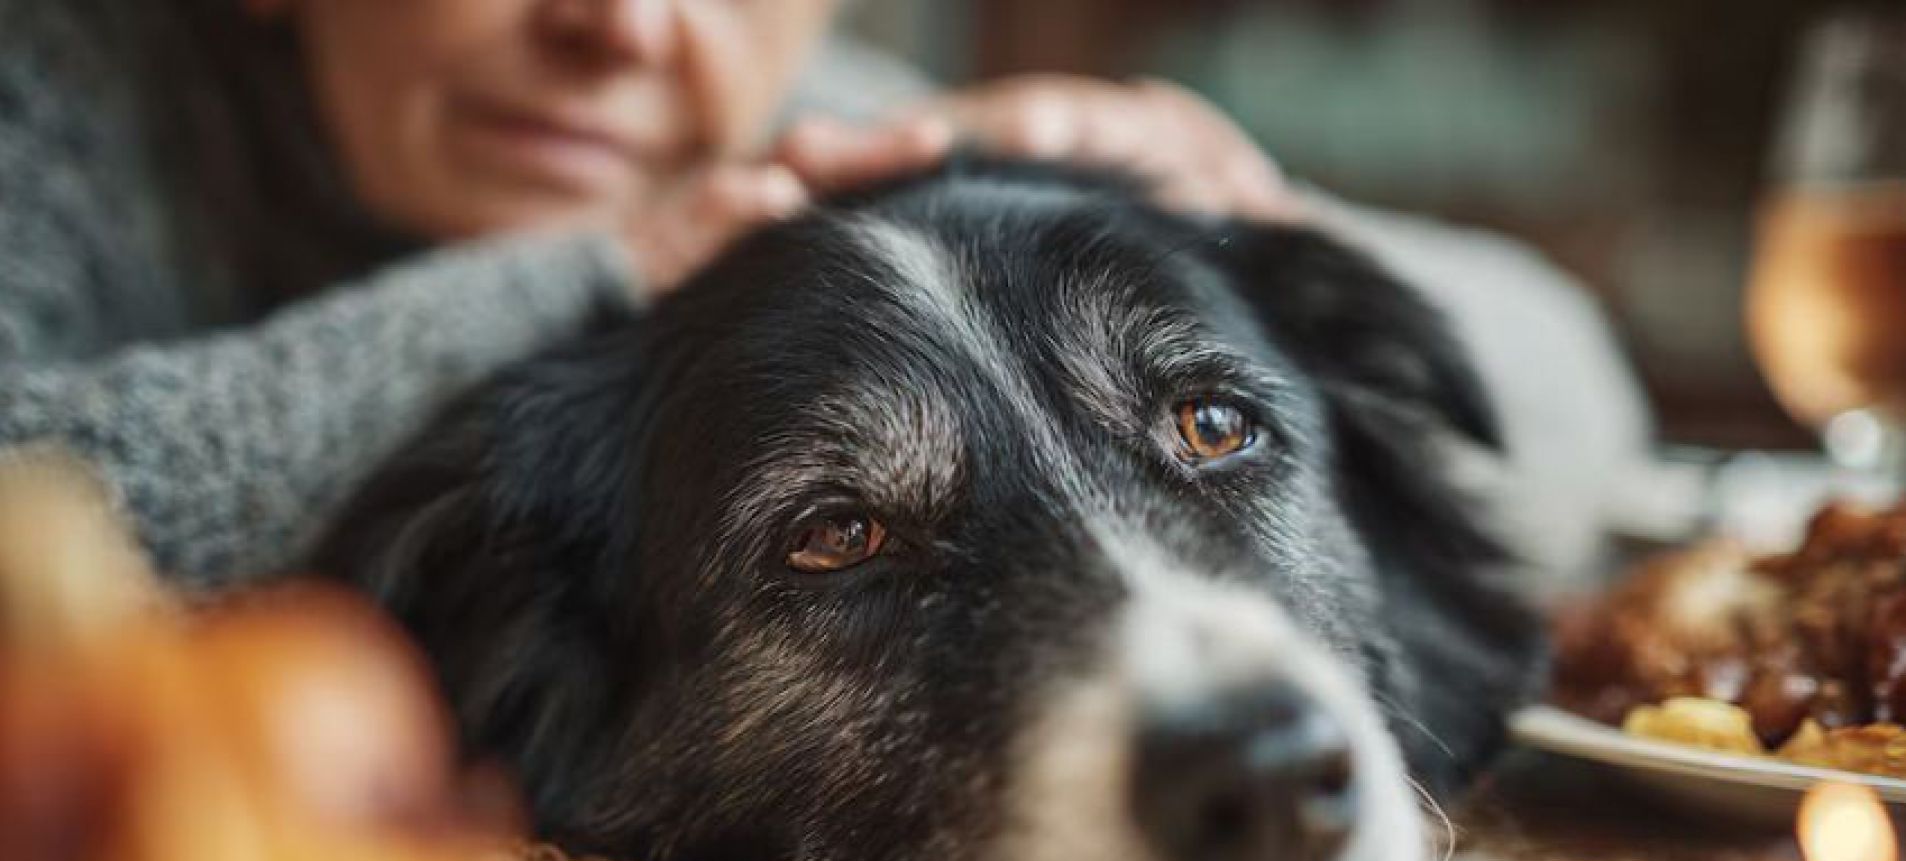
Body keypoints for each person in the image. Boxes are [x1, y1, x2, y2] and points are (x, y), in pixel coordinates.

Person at [0, 0, 1647, 591]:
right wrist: (596, 277)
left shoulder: (830, 141)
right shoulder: (55, 82)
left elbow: (1577, 406)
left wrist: (1255, 255)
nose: (625, 24)